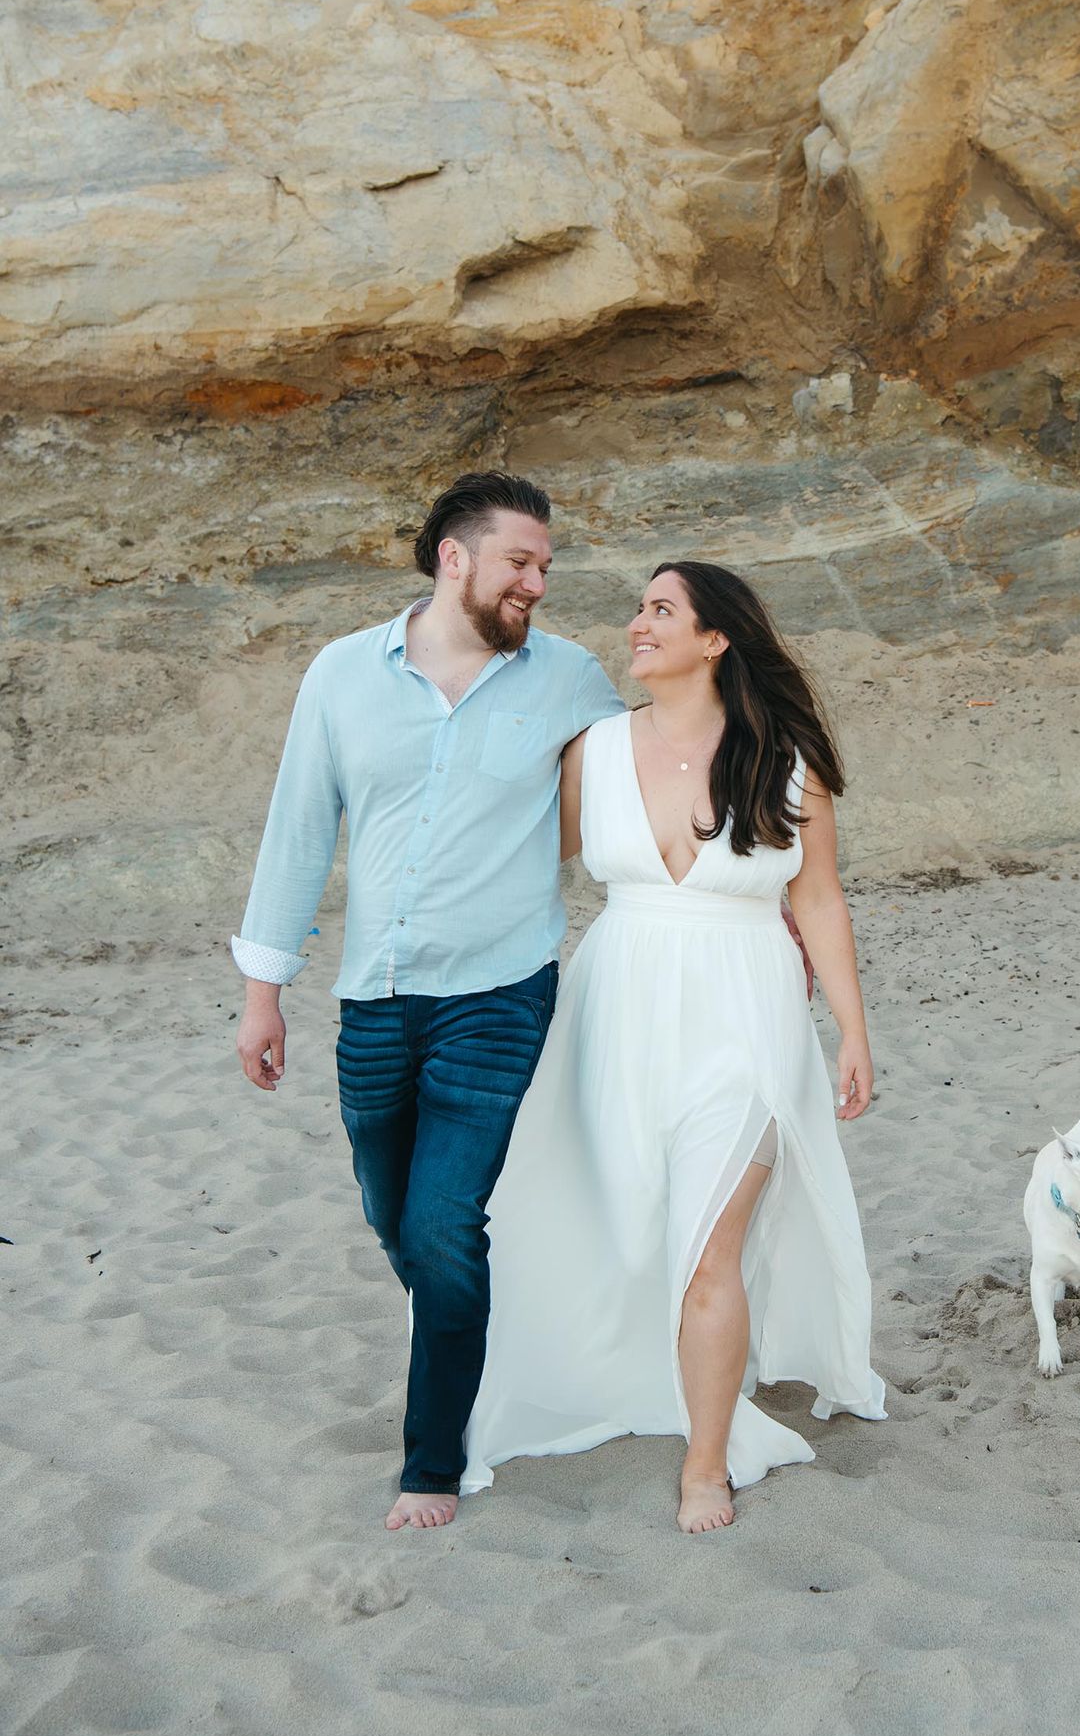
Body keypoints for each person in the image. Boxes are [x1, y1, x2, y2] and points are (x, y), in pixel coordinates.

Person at [232, 471, 624, 1530]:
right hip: (376, 995)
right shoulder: (341, 675)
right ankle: (482, 1333)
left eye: (544, 566)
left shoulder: (572, 679)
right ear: (454, 557)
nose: (537, 583)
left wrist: (759, 887)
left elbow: (651, 784)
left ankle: (432, 1462)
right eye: (520, 563)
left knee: (446, 1226)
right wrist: (263, 992)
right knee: (393, 1214)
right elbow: (297, 831)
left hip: (502, 992)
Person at [463, 561, 886, 1532]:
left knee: (706, 1245)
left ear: (714, 638)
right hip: (612, 1009)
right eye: (638, 608)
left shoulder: (786, 758)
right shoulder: (596, 750)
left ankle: (705, 1461)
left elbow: (815, 895)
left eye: (660, 610)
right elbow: (523, 873)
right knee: (604, 1223)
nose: (636, 624)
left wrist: (852, 1028)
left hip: (747, 1013)